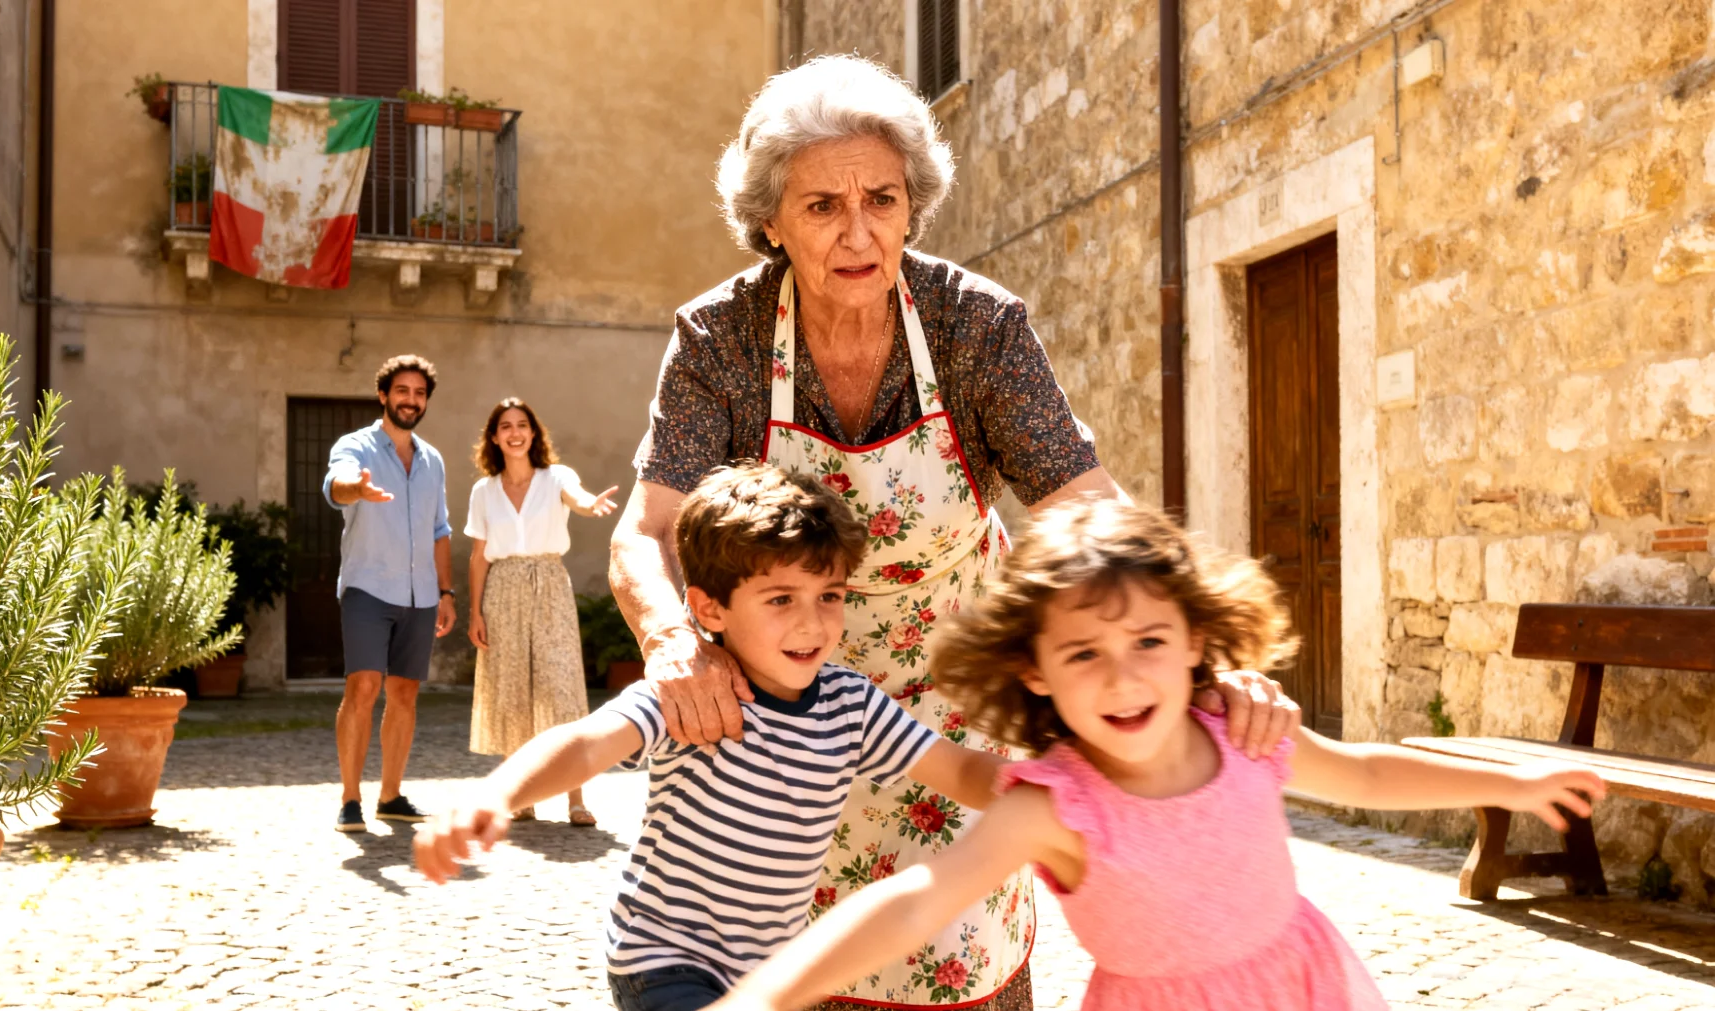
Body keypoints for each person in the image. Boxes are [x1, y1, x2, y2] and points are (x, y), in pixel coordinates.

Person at [610, 54, 1300, 1009]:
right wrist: (674, 642)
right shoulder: (719, 338)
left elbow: (1087, 510)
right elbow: (650, 528)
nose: (858, 232)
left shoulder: (976, 327)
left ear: (913, 207)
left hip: (951, 723)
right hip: (776, 731)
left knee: (957, 956)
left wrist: (1199, 656)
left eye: (882, 200)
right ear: (770, 222)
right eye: (822, 206)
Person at [707, 499, 1609, 1011]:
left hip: (1302, 988)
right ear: (1036, 670)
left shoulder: (1241, 732)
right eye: (1084, 653)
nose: (1123, 675)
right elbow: (918, 899)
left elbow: (1367, 772)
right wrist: (764, 995)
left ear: (1193, 640)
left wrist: (1514, 780)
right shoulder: (1053, 805)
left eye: (1148, 640)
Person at [415, 464, 1012, 1011]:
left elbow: (960, 771)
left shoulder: (851, 704)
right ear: (709, 609)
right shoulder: (692, 691)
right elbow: (587, 742)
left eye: (829, 596)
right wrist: (496, 795)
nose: (812, 622)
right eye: (781, 599)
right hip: (663, 960)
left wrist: (1046, 785)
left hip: (765, 978)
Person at [463, 396, 619, 827]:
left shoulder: (556, 478)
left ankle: (576, 799)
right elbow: (478, 557)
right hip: (502, 590)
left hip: (549, 585)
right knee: (512, 692)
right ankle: (521, 797)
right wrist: (475, 613)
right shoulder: (484, 491)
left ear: (533, 434)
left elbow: (578, 498)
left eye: (522, 425)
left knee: (561, 688)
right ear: (495, 437)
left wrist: (590, 505)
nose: (515, 433)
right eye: (506, 426)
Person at [325, 354, 456, 832]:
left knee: (404, 693)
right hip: (368, 586)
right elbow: (336, 485)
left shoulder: (433, 460)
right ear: (383, 395)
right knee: (363, 687)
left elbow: (440, 530)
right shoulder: (355, 447)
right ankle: (350, 799)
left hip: (421, 595)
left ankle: (391, 796)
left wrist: (446, 592)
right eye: (402, 391)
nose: (410, 400)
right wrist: (355, 489)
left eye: (419, 393)